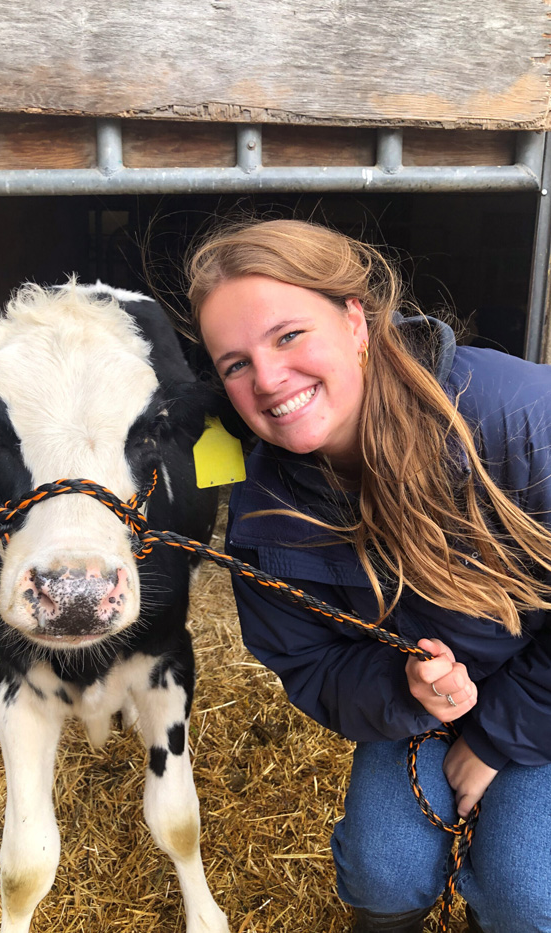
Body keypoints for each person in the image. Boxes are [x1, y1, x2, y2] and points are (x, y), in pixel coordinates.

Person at [186, 219, 551, 933]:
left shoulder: (521, 419)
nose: (266, 378)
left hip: (540, 689)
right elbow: (311, 665)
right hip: (420, 706)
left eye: (289, 335)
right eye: (234, 363)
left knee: (527, 890)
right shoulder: (266, 511)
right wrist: (406, 689)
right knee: (381, 867)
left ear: (356, 319)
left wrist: (499, 737)